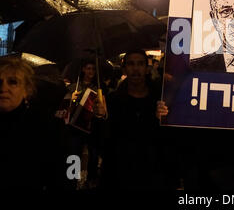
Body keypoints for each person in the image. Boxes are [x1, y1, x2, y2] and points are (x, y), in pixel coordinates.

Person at [101, 49, 175, 189]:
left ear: (147, 69)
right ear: (124, 69)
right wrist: (101, 118)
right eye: (131, 64)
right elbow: (104, 142)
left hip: (153, 175)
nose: (136, 68)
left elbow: (169, 141)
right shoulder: (112, 101)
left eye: (140, 64)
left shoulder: (160, 99)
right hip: (120, 174)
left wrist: (163, 120)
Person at [0, 57, 64, 189]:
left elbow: (62, 173)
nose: (3, 88)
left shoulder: (46, 126)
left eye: (12, 82)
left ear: (26, 90)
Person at [56, 59, 107, 190]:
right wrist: (71, 98)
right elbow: (63, 108)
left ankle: (91, 180)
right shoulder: (73, 86)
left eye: (93, 69)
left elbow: (105, 112)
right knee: (74, 154)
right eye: (88, 68)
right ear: (83, 70)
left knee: (93, 155)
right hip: (75, 128)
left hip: (92, 127)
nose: (91, 71)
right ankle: (71, 181)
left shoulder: (99, 88)